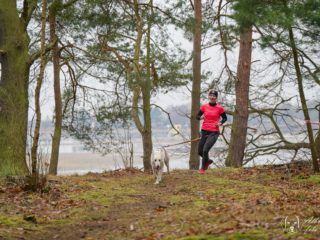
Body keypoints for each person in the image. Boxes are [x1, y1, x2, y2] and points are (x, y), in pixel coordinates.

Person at [196, 89, 227, 174]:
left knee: (205, 150)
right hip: (204, 131)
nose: (212, 97)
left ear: (216, 98)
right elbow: (197, 116)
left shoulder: (220, 108)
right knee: (200, 151)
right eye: (211, 95)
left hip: (214, 132)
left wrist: (220, 123)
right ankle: (208, 160)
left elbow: (225, 118)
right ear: (208, 96)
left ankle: (202, 168)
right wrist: (200, 117)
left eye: (214, 96)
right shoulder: (204, 107)